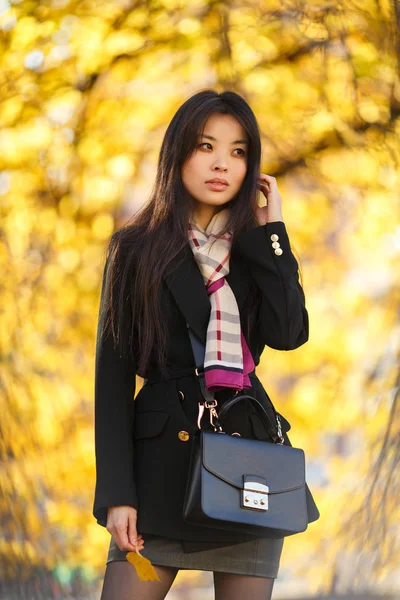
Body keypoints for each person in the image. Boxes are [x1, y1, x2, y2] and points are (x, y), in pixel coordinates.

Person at [93, 89, 319, 600]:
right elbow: (112, 380)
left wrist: (274, 236)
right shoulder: (136, 250)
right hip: (156, 484)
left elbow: (289, 334)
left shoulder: (258, 250)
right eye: (206, 146)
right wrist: (116, 494)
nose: (222, 164)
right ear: (178, 155)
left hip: (245, 475)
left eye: (238, 152)